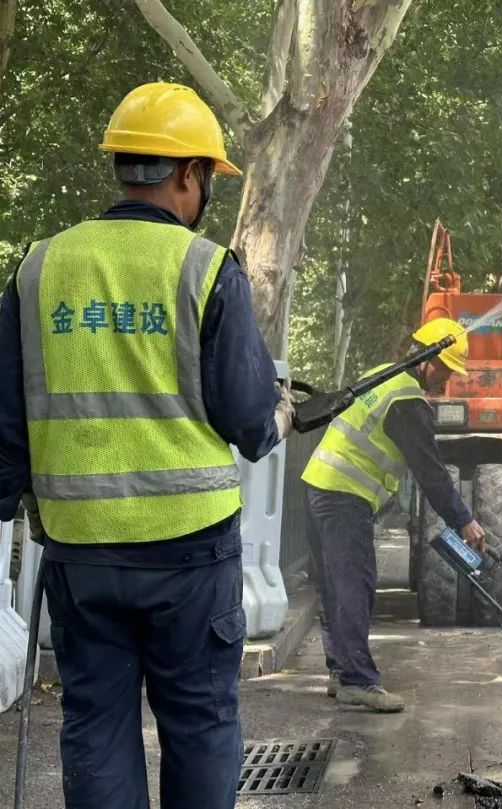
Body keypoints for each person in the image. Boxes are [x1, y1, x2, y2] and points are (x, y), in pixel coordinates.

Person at [0, 82, 292, 809]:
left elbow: (5, 428)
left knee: (96, 726)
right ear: (188, 175)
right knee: (198, 724)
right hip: (191, 558)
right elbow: (251, 421)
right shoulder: (204, 270)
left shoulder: (38, 270)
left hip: (80, 557)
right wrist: (282, 415)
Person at [301, 318, 486, 712]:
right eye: (448, 371)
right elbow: (431, 473)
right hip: (343, 496)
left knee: (334, 586)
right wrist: (464, 520)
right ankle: (357, 681)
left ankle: (340, 671)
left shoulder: (380, 376)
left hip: (318, 484)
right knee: (355, 586)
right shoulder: (408, 403)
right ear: (430, 361)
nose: (448, 382)